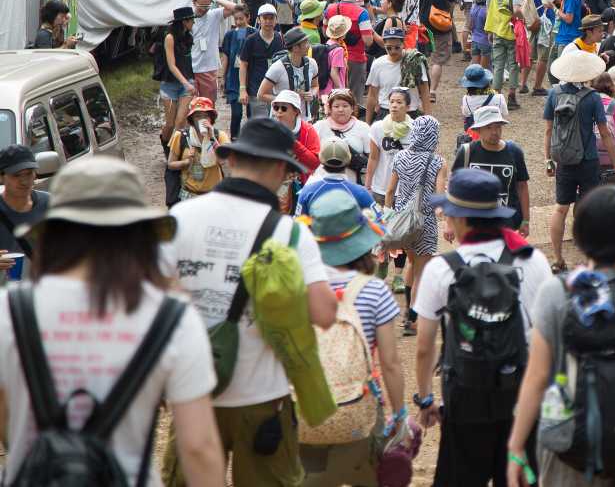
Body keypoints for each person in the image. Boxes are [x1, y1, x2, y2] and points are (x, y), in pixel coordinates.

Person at [0, 157, 224, 485]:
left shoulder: (10, 311)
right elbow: (199, 448)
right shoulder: (172, 318)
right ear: (139, 233)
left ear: (57, 230)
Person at [161, 118, 337, 485]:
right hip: (262, 400)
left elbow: (150, 299)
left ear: (232, 161)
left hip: (194, 395)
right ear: (279, 168)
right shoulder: (289, 232)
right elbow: (323, 314)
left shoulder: (179, 217)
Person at [506, 185, 615, 487]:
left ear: (578, 237)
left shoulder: (556, 292)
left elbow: (536, 377)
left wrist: (515, 447)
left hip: (569, 447)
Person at [412, 168, 551, 486]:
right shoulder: (533, 260)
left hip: (465, 396)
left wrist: (425, 399)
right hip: (522, 395)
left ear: (460, 219)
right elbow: (549, 334)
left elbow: (424, 347)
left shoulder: (440, 269)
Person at [300, 189, 408, 486]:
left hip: (305, 409)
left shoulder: (300, 285)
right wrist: (400, 416)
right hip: (358, 411)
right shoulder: (374, 291)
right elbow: (390, 363)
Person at [543, 51, 615, 273]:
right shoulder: (591, 98)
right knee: (589, 208)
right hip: (588, 159)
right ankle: (592, 257)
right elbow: (605, 134)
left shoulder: (554, 94)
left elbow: (549, 130)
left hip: (563, 160)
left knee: (561, 208)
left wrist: (548, 160)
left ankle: (558, 259)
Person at [386, 115, 447, 336]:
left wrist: (389, 215)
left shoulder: (400, 157)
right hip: (425, 221)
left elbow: (390, 191)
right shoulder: (439, 162)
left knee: (411, 262)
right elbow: (440, 196)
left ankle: (406, 313)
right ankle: (411, 319)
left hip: (403, 221)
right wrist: (445, 217)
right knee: (423, 270)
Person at [452, 106, 530, 235]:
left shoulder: (514, 151)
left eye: (498, 126)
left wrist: (526, 221)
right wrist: (451, 224)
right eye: (488, 127)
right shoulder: (467, 152)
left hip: (507, 224)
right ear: (478, 130)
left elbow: (522, 186)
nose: (495, 132)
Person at [324, 0, 376, 112]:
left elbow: (325, 32)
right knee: (354, 100)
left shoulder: (329, 9)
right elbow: (368, 41)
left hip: (332, 56)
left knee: (335, 98)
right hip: (356, 59)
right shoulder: (362, 13)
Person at [166, 96, 229, 201]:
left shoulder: (220, 136)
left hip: (215, 195)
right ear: (191, 119)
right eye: (198, 116)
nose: (202, 119)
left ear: (211, 118)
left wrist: (212, 138)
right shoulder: (181, 136)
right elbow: (170, 164)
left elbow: (224, 161)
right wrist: (186, 162)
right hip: (189, 194)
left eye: (206, 116)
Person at [365, 25, 432, 121]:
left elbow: (424, 91)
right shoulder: (378, 63)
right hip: (386, 113)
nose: (393, 51)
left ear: (403, 44)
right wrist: (368, 123)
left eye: (397, 47)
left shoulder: (414, 61)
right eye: (389, 48)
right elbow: (372, 95)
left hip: (410, 113)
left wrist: (428, 119)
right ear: (384, 45)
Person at [297, 138, 375, 215]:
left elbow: (299, 222)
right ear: (349, 159)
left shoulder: (307, 191)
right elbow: (379, 222)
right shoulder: (360, 192)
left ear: (321, 159)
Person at [484, 0, 524, 108]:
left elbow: (489, 10)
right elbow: (518, 10)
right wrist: (523, 19)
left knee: (498, 64)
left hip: (497, 30)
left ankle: (496, 96)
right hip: (512, 31)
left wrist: (489, 30)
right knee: (513, 64)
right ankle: (512, 97)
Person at [258, 26, 320, 120]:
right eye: (305, 43)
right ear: (295, 48)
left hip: (304, 119)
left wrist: (312, 93)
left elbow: (315, 86)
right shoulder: (277, 68)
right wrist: (285, 100)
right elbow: (261, 95)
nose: (309, 46)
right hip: (280, 121)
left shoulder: (312, 63)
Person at [420, 0, 458, 97]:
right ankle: (432, 90)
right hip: (441, 24)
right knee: (437, 60)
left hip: (423, 24)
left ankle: (422, 88)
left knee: (423, 57)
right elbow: (452, 4)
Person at [313, 88, 372, 184]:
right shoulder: (319, 127)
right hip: (322, 182)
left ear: (352, 108)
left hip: (351, 184)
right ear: (330, 108)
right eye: (336, 106)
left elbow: (372, 157)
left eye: (345, 106)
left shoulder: (363, 128)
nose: (341, 109)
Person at [189, 0, 237, 102]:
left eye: (207, 5)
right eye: (201, 5)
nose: (204, 9)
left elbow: (236, 7)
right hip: (190, 68)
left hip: (209, 67)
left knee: (208, 105)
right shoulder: (187, 18)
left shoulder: (214, 15)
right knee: (191, 106)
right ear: (194, 2)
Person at [159, 7, 197, 151]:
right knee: (170, 123)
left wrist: (191, 82)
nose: (194, 22)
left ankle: (176, 151)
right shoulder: (169, 37)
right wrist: (185, 83)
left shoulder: (189, 37)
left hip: (187, 82)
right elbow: (171, 65)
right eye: (191, 19)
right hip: (170, 84)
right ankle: (165, 143)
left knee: (181, 121)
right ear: (184, 21)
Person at [239, 3, 284, 119]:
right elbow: (243, 64)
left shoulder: (280, 39)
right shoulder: (251, 40)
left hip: (276, 90)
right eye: (265, 18)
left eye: (271, 18)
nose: (268, 21)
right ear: (259, 20)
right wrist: (243, 89)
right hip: (256, 90)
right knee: (260, 124)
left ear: (276, 20)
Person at [0, 145, 45, 259]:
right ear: (1, 177)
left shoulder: (49, 203)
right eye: (16, 175)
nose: (24, 182)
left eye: (29, 173)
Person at [219, 4, 252, 138]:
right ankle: (234, 140)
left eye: (241, 18)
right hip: (233, 78)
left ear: (248, 17)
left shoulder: (254, 34)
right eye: (236, 19)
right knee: (236, 114)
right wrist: (222, 76)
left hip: (250, 79)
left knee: (252, 114)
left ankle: (251, 140)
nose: (238, 22)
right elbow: (226, 56)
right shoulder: (229, 35)